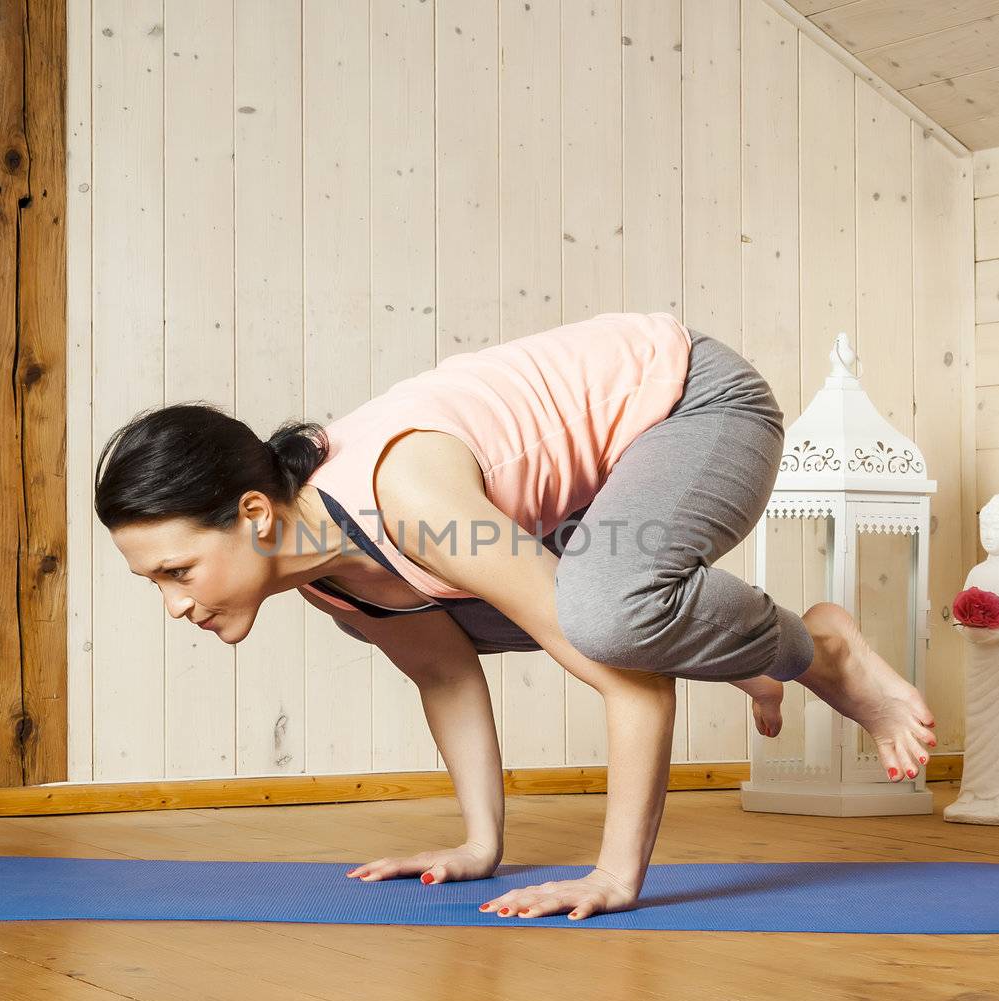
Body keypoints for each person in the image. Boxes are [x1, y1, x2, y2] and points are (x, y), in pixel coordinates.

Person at [95, 311, 937, 921]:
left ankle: (818, 644)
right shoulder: (333, 580)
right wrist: (478, 846)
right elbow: (444, 671)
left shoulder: (411, 501)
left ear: (254, 514)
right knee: (520, 614)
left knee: (604, 614)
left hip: (691, 400)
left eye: (177, 571)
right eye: (156, 584)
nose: (176, 604)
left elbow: (629, 681)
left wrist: (613, 875)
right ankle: (736, 642)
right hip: (592, 490)